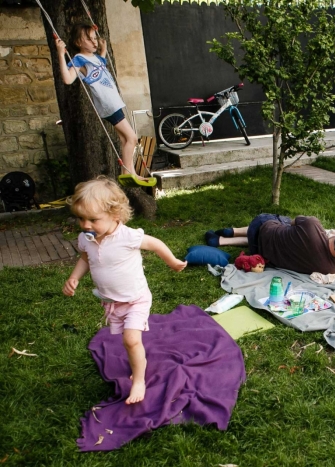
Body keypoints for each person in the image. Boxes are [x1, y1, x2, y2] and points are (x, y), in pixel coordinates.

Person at [62, 176, 187, 404]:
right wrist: (73, 277)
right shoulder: (86, 239)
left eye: (93, 219)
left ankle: (139, 380)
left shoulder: (127, 236)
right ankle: (137, 363)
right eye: (81, 218)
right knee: (127, 341)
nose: (85, 225)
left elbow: (155, 243)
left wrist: (171, 261)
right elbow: (85, 259)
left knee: (130, 340)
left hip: (136, 298)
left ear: (115, 215)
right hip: (113, 302)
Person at [55, 23, 144, 181]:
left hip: (114, 101)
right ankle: (126, 172)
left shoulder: (94, 57)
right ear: (78, 43)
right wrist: (61, 54)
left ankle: (131, 173)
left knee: (125, 139)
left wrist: (103, 50)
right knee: (132, 138)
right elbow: (67, 79)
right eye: (89, 39)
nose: (94, 42)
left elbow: (101, 64)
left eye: (94, 38)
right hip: (107, 103)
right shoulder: (79, 59)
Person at [206, 214, 335, 275]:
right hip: (262, 254)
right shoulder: (333, 269)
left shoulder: (312, 225)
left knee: (283, 221)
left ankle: (232, 231)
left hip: (261, 228)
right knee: (288, 238)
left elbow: (291, 222)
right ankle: (222, 240)